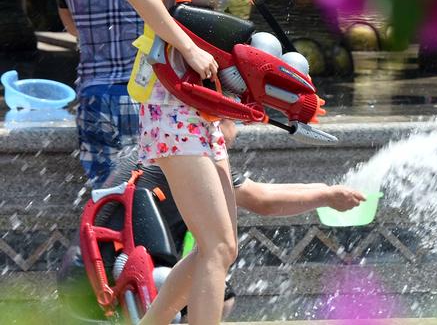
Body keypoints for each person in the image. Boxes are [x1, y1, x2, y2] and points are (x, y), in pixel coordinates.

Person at [124, 0, 307, 325]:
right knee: (218, 244)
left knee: (218, 248)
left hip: (198, 106)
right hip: (172, 102)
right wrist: (190, 46)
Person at [59, 119, 364, 321]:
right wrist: (326, 197)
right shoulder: (188, 149)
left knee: (218, 286)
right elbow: (262, 201)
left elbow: (256, 191)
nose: (237, 132)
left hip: (85, 278)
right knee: (214, 281)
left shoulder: (165, 143)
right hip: (109, 281)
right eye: (233, 120)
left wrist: (327, 192)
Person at [56, 0, 167, 187]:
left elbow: (72, 26)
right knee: (159, 194)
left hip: (95, 96)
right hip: (151, 94)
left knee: (108, 196)